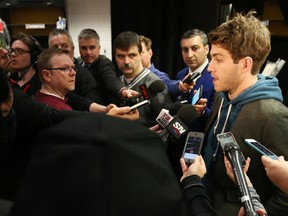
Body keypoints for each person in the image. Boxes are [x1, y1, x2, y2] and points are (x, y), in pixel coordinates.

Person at [203, 10, 288, 216]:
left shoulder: (273, 116)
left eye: (218, 59)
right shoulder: (222, 97)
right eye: (210, 58)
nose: (209, 68)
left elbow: (285, 196)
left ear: (245, 64)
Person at [113, 31, 173, 127]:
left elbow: (168, 124)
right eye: (121, 56)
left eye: (132, 55)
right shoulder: (117, 83)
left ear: (141, 55)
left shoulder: (154, 84)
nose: (126, 61)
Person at [35, 48, 113, 112]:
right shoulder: (57, 111)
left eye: (73, 68)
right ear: (47, 75)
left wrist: (105, 110)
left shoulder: (41, 98)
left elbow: (78, 101)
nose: (73, 73)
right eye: (64, 68)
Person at [78, 28, 137, 105]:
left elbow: (110, 79)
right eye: (84, 48)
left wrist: (122, 90)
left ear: (99, 48)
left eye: (92, 47)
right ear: (79, 49)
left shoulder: (104, 63)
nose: (88, 52)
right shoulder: (78, 62)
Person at [48, 28, 101, 102]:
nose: (60, 50)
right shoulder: (45, 74)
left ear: (72, 49)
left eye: (64, 46)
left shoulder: (85, 78)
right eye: (55, 47)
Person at [139, 35, 193, 99]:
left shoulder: (158, 76)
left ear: (150, 53)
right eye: (133, 55)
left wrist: (180, 86)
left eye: (140, 53)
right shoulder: (124, 78)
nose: (137, 58)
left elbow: (169, 84)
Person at [173, 29, 215, 111]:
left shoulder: (216, 77)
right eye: (185, 50)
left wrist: (202, 111)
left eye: (195, 48)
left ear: (206, 49)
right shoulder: (180, 75)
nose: (189, 55)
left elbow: (216, 118)